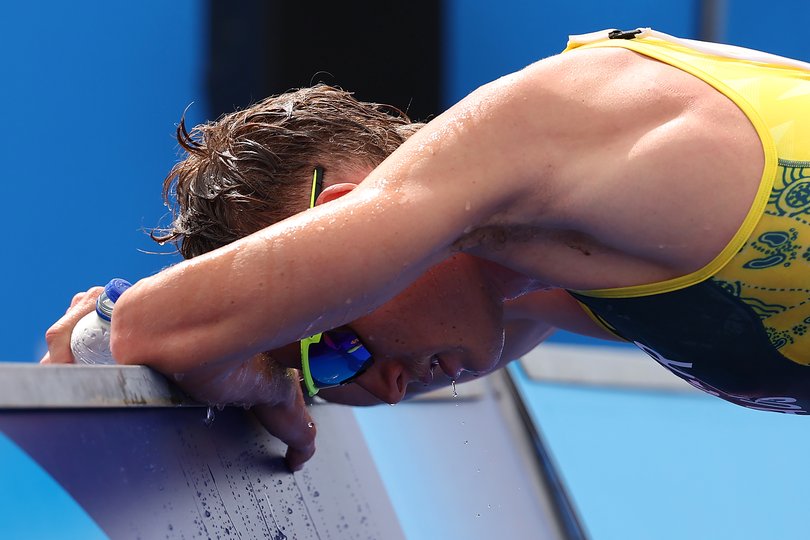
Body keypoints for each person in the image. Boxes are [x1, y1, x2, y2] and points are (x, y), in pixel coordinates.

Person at [42, 28, 810, 470]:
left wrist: (269, 382)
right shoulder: (550, 278)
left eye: (334, 345)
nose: (378, 388)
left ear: (342, 218)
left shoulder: (558, 123)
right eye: (321, 373)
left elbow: (143, 330)